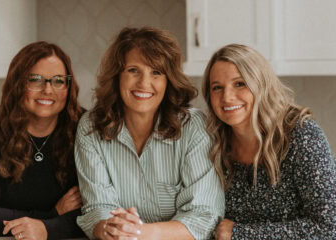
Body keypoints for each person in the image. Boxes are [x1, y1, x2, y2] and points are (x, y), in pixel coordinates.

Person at [75, 27, 224, 240]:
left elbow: (203, 216)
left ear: (168, 80)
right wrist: (110, 228)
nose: (144, 83)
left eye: (156, 72)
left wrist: (138, 233)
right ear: (117, 76)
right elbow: (97, 208)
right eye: (133, 70)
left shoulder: (193, 127)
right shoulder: (91, 128)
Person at [201, 44, 336, 239]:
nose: (227, 97)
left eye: (240, 83)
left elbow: (329, 227)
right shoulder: (213, 142)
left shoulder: (300, 135)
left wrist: (241, 234)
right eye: (217, 88)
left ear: (261, 85)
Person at [0, 41, 86, 239]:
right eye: (36, 79)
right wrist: (52, 216)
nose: (47, 89)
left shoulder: (85, 129)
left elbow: (96, 216)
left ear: (68, 87)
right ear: (17, 83)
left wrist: (45, 228)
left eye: (58, 81)